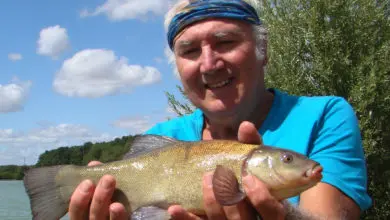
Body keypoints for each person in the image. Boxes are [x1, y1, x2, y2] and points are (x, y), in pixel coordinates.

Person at [68, 0, 372, 219]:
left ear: (262, 51)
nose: (210, 64)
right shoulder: (161, 137)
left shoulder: (325, 116)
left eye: (225, 41)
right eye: (189, 51)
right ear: (177, 68)